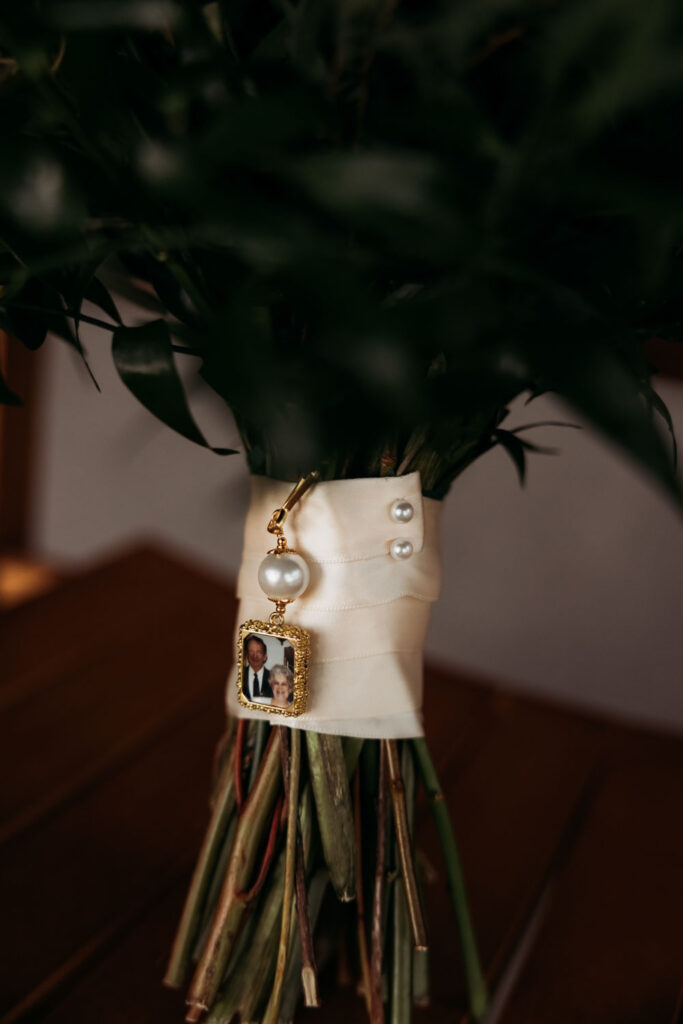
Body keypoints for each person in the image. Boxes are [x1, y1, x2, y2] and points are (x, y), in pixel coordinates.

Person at [242, 634, 273, 703]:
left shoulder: (273, 678)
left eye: (258, 652)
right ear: (247, 655)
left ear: (265, 656)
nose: (254, 656)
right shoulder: (240, 674)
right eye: (251, 651)